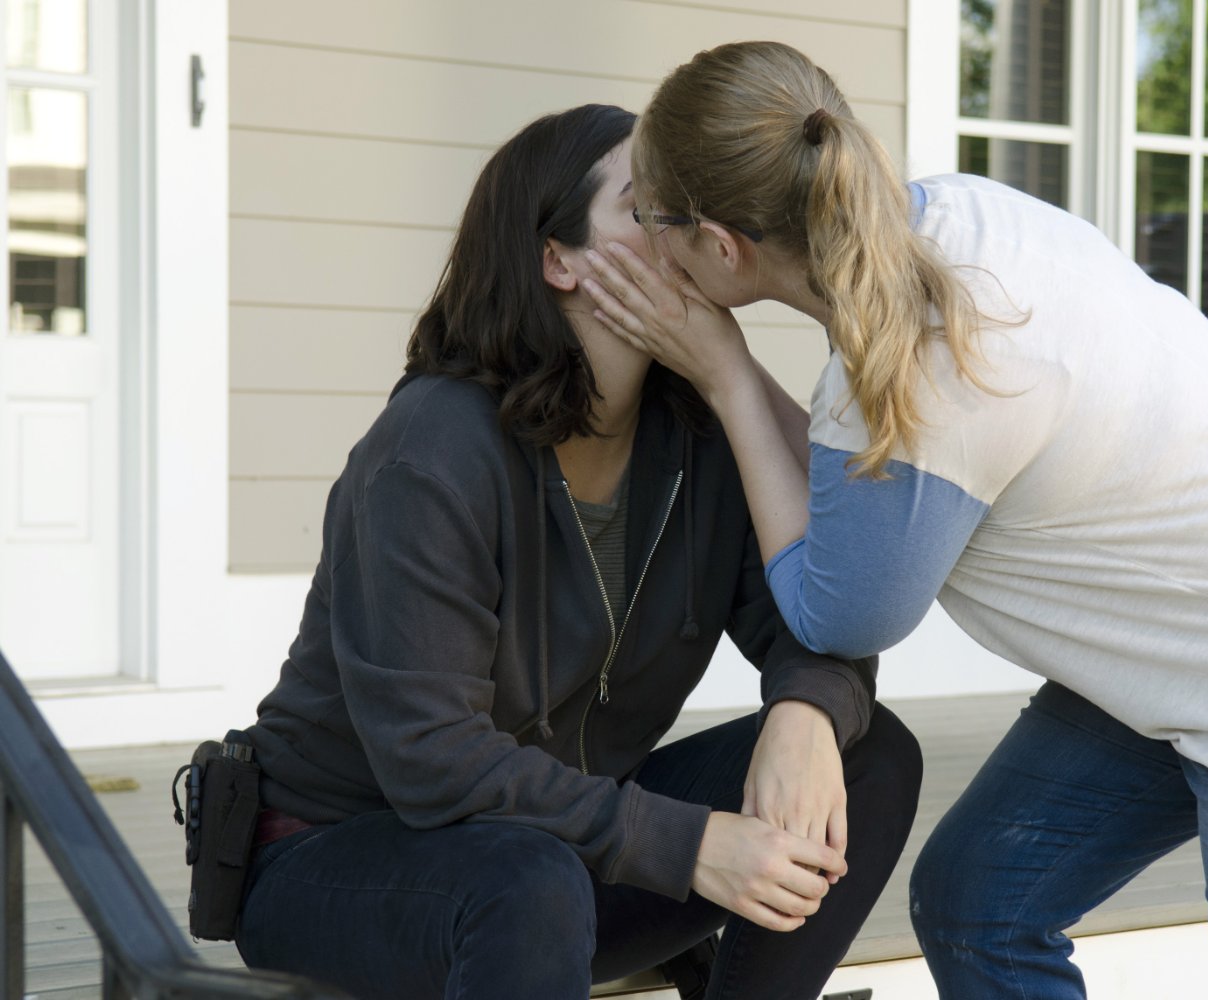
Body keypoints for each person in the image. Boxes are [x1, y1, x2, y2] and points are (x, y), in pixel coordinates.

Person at [581, 41, 1208, 1000]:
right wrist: (739, 378)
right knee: (982, 905)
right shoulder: (951, 214)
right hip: (1206, 635)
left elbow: (836, 612)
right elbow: (872, 487)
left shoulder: (905, 369)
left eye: (652, 217)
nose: (642, 239)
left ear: (722, 247)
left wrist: (722, 373)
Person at [230, 103, 922, 1000]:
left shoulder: (700, 435)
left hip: (553, 855)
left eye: (683, 205)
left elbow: (819, 610)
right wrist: (691, 845)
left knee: (868, 755)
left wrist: (805, 716)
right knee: (524, 878)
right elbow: (432, 760)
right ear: (558, 261)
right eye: (644, 207)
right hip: (341, 864)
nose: (679, 227)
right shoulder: (431, 452)